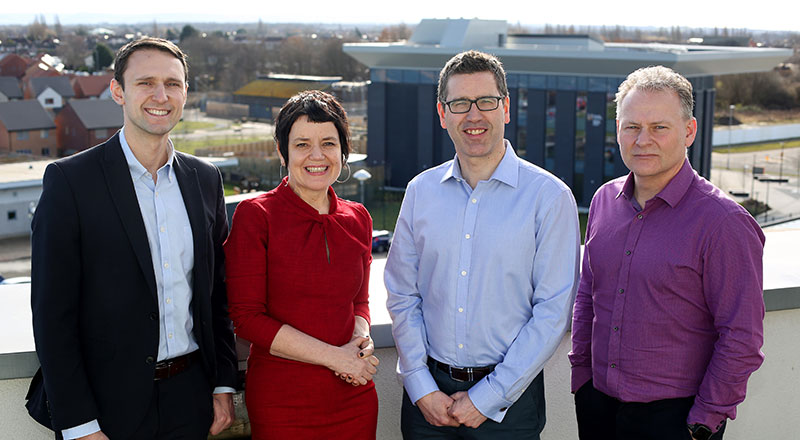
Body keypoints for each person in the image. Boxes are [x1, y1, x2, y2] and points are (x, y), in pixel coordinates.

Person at [26, 37, 238, 439]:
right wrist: (79, 424)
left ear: (185, 92)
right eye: (146, 83)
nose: (161, 96)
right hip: (105, 408)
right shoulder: (71, 182)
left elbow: (217, 294)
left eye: (172, 84)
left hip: (190, 398)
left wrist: (223, 383)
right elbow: (52, 316)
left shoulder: (205, 178)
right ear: (118, 91)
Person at [385, 50, 580, 439]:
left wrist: (489, 396)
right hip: (427, 400)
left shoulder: (549, 197)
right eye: (460, 103)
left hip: (511, 403)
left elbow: (552, 312)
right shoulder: (420, 191)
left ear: (505, 108)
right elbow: (402, 294)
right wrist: (420, 384)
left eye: (486, 102)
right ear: (443, 114)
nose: (473, 115)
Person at [569, 66, 765, 440]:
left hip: (676, 419)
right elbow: (588, 295)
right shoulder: (603, 201)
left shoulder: (723, 222)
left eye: (659, 127)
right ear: (618, 130)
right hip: (597, 406)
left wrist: (704, 421)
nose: (643, 140)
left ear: (689, 131)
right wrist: (582, 376)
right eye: (632, 127)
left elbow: (742, 337)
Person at [224, 90, 380, 439]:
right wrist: (336, 358)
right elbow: (247, 318)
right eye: (302, 144)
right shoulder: (256, 216)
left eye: (328, 143)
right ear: (283, 152)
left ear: (343, 151)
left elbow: (359, 302)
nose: (317, 155)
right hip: (283, 402)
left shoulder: (359, 218)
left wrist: (361, 341)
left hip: (354, 395)